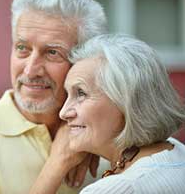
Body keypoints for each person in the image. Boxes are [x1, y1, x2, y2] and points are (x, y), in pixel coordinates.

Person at [0, 0, 109, 194]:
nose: (30, 70)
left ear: (84, 62)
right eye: (22, 48)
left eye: (52, 52)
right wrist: (58, 163)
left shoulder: (108, 135)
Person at [29, 34, 185, 194]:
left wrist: (55, 164)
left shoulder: (115, 189)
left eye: (81, 93)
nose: (63, 113)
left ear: (125, 101)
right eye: (68, 95)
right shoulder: (176, 151)